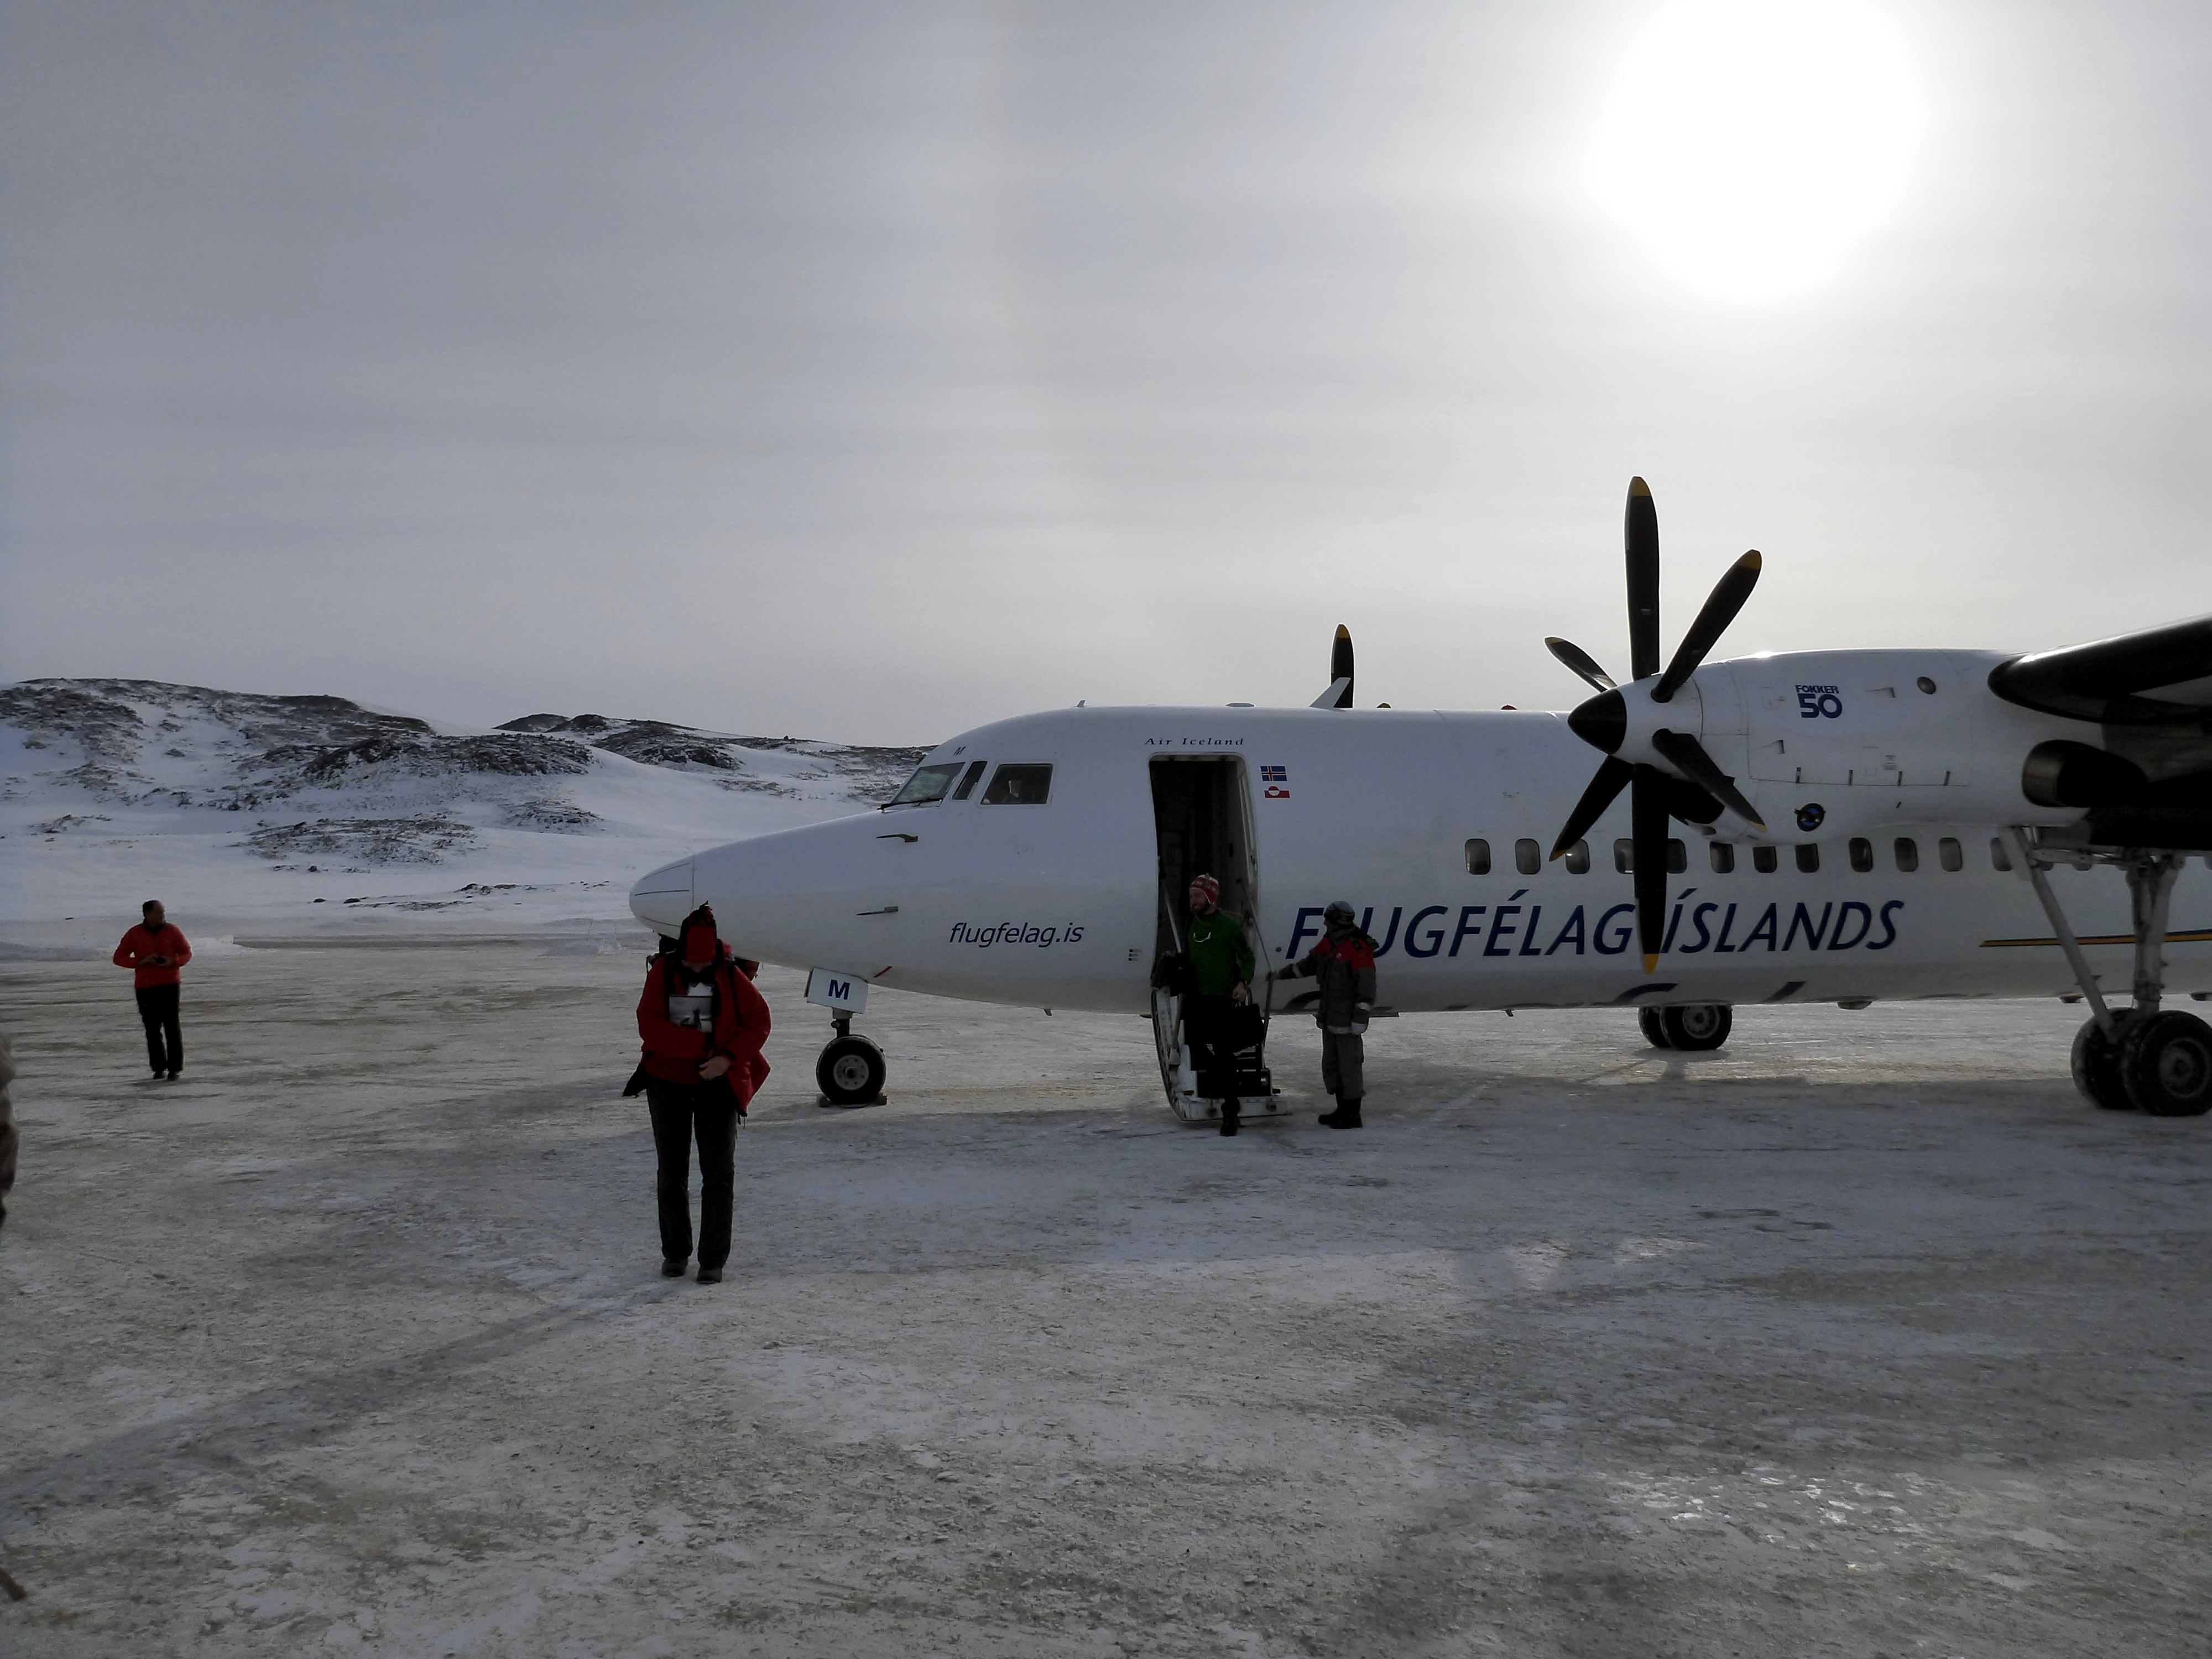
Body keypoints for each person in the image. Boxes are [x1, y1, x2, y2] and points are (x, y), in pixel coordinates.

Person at [632, 904, 770, 1284]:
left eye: (703, 964)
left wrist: (727, 1059)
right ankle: (676, 1253)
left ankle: (713, 1259)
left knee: (718, 1174)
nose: (696, 970)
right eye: (690, 964)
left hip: (717, 1087)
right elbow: (650, 1025)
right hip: (667, 1083)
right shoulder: (663, 972)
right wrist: (703, 1048)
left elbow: (759, 1021)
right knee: (672, 1172)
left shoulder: (731, 975)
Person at [1272, 899, 1376, 1129]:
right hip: (1330, 1018)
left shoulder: (1357, 948)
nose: (1325, 924)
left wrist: (1360, 1018)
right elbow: (1308, 965)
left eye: (1328, 920)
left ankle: (1352, 1114)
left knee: (1350, 1066)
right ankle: (1342, 1109)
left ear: (1338, 921)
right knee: (1333, 1066)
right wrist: (1280, 974)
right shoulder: (1329, 943)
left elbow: (1366, 987)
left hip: (1347, 1021)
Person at [1182, 873, 1256, 1136]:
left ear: (1210, 897)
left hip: (1221, 1000)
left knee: (1223, 1052)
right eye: (1191, 896)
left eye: (1197, 896)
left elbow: (1247, 957)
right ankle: (1226, 1084)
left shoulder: (1228, 926)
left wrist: (1243, 983)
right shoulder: (1192, 925)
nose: (1193, 901)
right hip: (1197, 999)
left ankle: (1231, 1111)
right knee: (1196, 1047)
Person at [113, 900, 192, 1079]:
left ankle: (175, 1068)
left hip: (170, 985)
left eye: (163, 912)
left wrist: (174, 961)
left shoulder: (173, 931)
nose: (163, 915)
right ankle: (158, 1067)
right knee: (152, 1029)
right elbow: (119, 958)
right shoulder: (135, 933)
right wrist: (141, 961)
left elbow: (186, 952)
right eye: (158, 912)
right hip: (146, 987)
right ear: (147, 914)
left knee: (172, 1027)